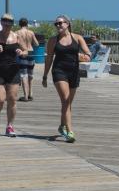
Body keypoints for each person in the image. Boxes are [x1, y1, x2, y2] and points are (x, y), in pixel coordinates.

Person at [41, 15, 91, 143]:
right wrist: (45, 75)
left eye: (60, 23)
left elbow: (88, 54)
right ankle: (70, 131)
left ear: (67, 24)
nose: (58, 26)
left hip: (74, 72)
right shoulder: (53, 40)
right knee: (65, 100)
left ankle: (61, 125)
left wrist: (84, 56)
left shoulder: (77, 37)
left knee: (68, 103)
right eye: (56, 24)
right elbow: (49, 59)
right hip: (59, 72)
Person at [0, 14, 24, 137]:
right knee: (0, 99)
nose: (7, 23)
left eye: (10, 21)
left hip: (13, 71)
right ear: (1, 22)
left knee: (12, 99)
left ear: (13, 23)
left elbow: (26, 50)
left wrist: (21, 52)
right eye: (5, 21)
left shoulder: (17, 37)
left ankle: (10, 126)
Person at [14, 18, 40, 102]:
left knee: (23, 75)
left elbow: (14, 44)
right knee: (30, 75)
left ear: (19, 24)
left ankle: (25, 96)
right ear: (27, 24)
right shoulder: (31, 32)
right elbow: (37, 44)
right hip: (31, 53)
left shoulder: (17, 33)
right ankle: (30, 94)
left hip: (23, 54)